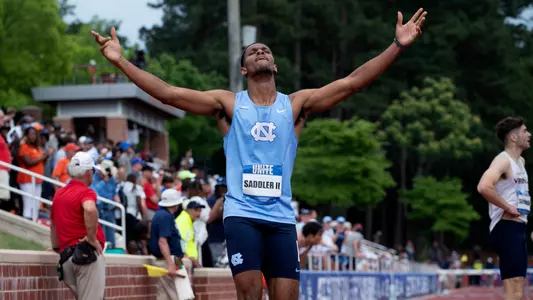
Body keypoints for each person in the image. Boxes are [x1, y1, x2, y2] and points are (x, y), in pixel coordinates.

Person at [91, 8, 427, 299]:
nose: (260, 51)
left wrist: (397, 45)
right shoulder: (228, 104)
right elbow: (169, 93)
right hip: (242, 215)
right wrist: (121, 61)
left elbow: (352, 83)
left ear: (275, 66)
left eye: (265, 50)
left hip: (280, 219)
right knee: (250, 295)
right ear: (244, 70)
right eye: (252, 52)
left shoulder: (296, 104)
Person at [478, 116, 531, 300]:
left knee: (519, 287)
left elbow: (523, 197)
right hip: (506, 227)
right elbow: (483, 186)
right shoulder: (503, 160)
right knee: (512, 288)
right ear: (514, 137)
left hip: (519, 227)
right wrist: (507, 206)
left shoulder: (521, 163)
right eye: (525, 131)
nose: (529, 134)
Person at [50, 151, 106, 300]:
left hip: (66, 257)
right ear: (88, 172)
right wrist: (92, 238)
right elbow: (89, 208)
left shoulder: (59, 194)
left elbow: (53, 224)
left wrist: (57, 246)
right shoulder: (86, 192)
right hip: (85, 256)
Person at [148, 189, 192, 300]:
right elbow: (162, 241)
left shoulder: (161, 215)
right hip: (169, 260)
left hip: (168, 260)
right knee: (177, 295)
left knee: (164, 296)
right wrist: (171, 264)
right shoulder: (165, 216)